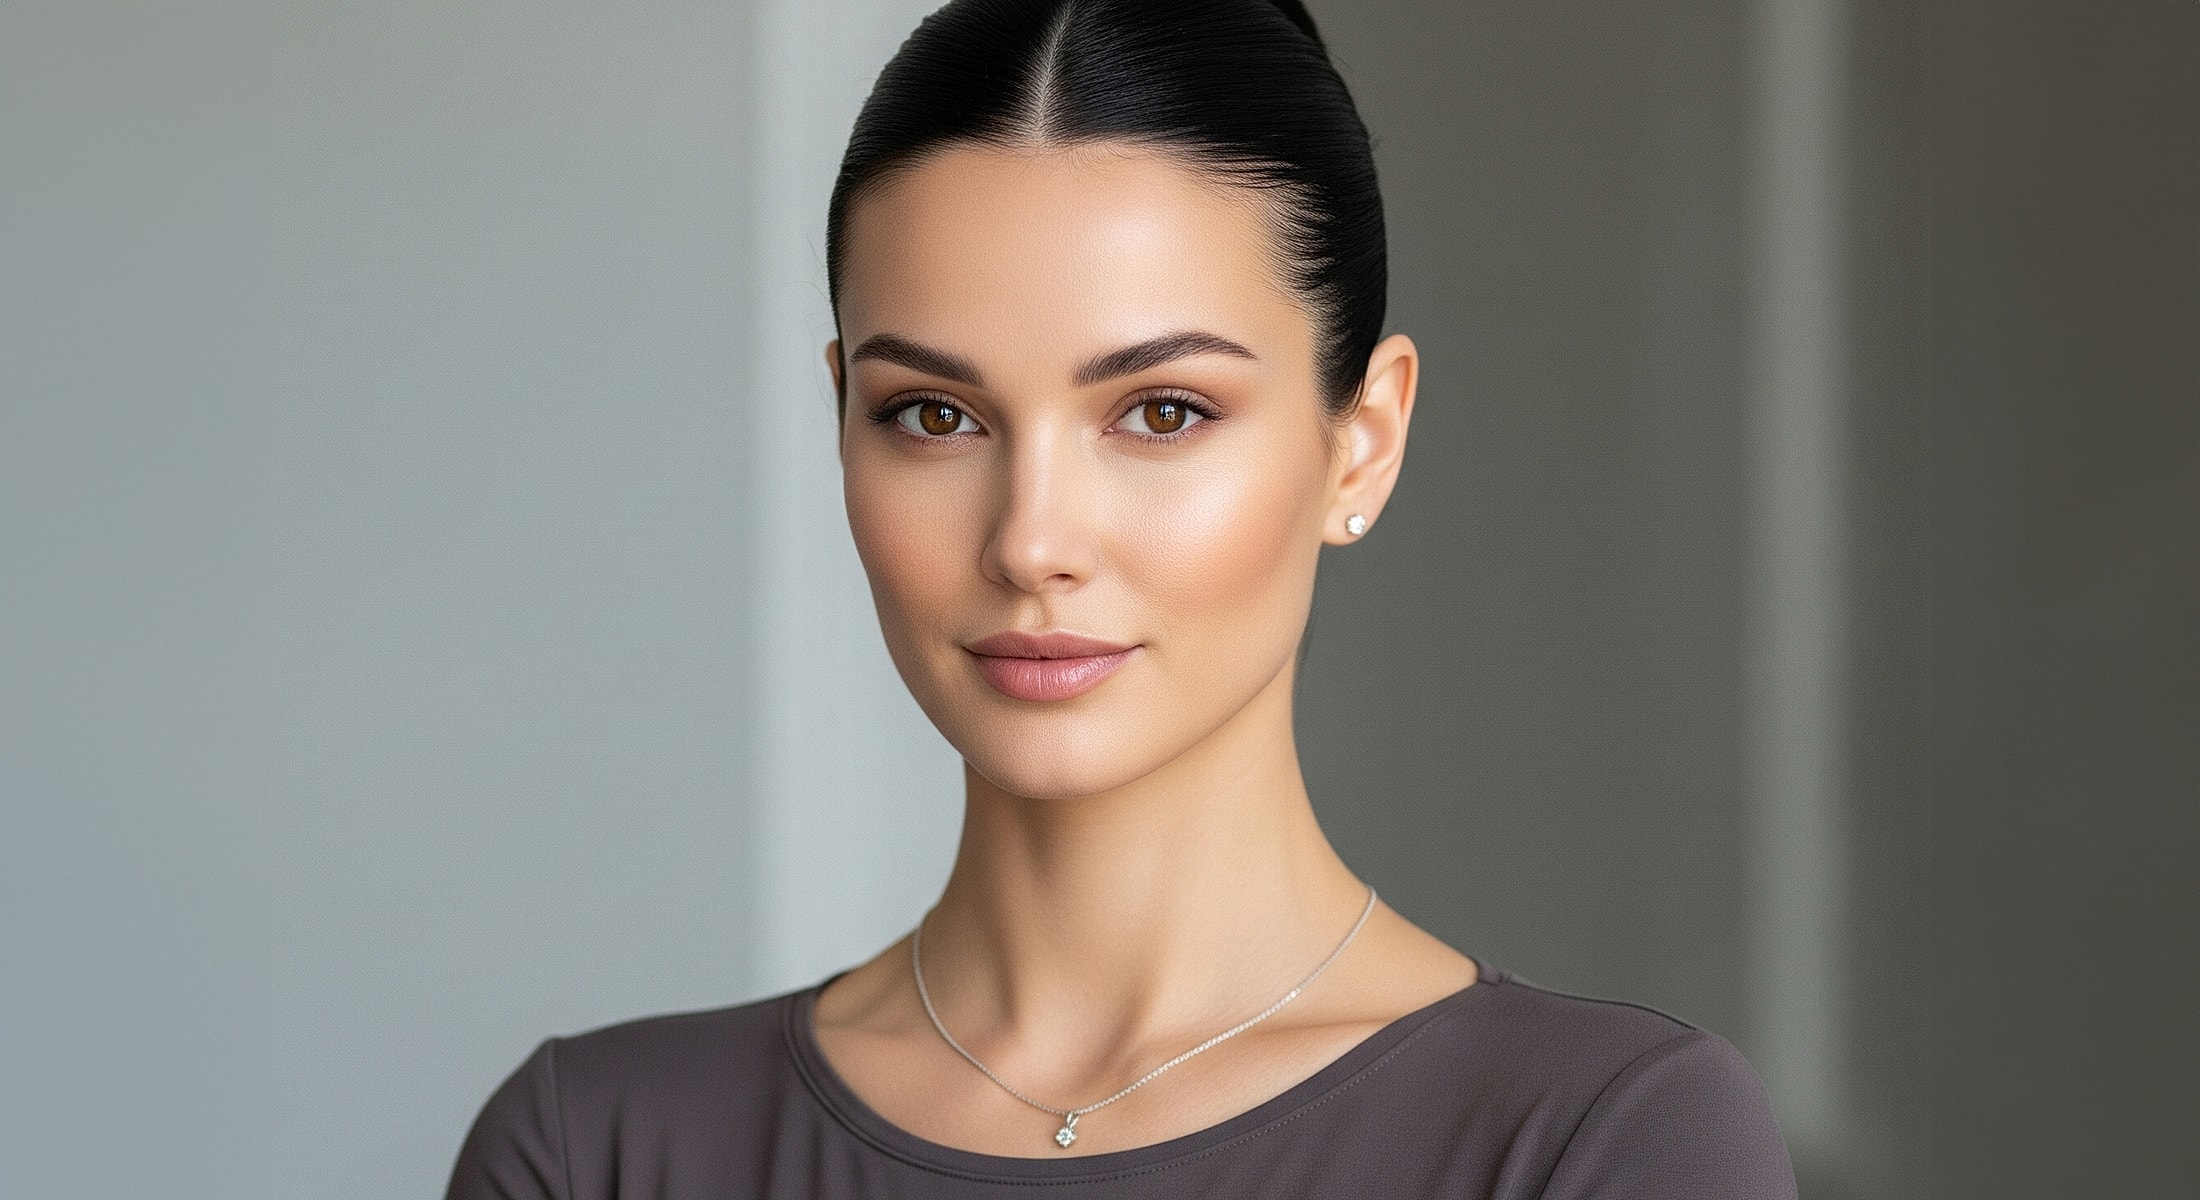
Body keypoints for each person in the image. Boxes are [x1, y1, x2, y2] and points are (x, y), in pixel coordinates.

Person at [447, 1, 1798, 1195]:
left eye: (1162, 411)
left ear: (1362, 443)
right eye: (934, 414)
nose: (1031, 540)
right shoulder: (595, 1150)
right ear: (842, 422)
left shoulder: (1598, 1143)